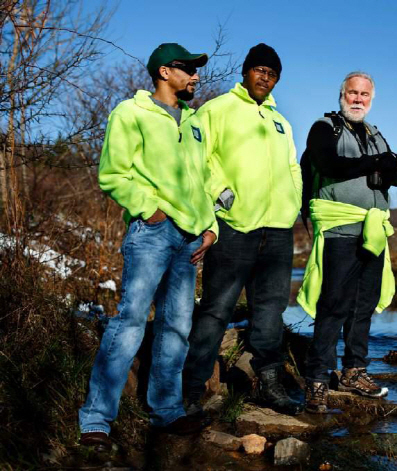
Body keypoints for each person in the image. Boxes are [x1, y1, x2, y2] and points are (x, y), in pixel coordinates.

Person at [79, 43, 218, 450]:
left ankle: (167, 411)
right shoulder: (130, 113)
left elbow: (205, 180)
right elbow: (113, 173)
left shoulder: (194, 123)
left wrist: (210, 227)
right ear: (163, 72)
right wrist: (149, 209)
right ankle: (97, 419)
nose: (195, 76)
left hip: (191, 238)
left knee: (177, 327)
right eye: (188, 69)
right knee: (130, 322)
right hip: (152, 234)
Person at [183, 43, 303, 416]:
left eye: (272, 73)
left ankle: (268, 383)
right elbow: (195, 157)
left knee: (270, 312)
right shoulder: (217, 109)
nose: (265, 77)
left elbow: (292, 167)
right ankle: (191, 387)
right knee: (217, 308)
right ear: (246, 71)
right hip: (234, 228)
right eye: (259, 70)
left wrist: (292, 203)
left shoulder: (281, 122)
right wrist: (220, 193)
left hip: (278, 229)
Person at [298, 71, 397, 413]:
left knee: (364, 304)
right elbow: (327, 163)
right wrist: (376, 162)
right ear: (341, 95)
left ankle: (354, 371)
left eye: (364, 94)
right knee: (334, 303)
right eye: (352, 93)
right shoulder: (324, 127)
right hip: (340, 229)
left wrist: (391, 168)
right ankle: (317, 378)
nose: (358, 99)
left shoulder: (376, 134)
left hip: (373, 229)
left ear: (371, 99)